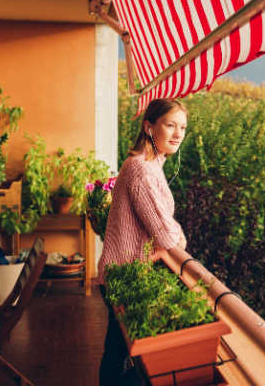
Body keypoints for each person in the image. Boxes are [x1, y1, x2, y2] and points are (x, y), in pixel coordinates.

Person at [97, 98, 188, 385]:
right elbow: (166, 236)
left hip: (125, 274)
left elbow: (163, 226)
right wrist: (177, 236)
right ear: (150, 127)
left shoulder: (149, 165)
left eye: (183, 127)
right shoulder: (142, 170)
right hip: (126, 276)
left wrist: (172, 232)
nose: (178, 134)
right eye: (170, 125)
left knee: (119, 352)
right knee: (135, 357)